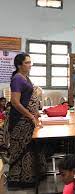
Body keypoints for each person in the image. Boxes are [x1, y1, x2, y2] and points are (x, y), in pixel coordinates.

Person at [7, 53, 47, 188]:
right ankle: (19, 180)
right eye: (27, 62)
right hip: (20, 121)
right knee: (22, 150)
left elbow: (30, 96)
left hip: (28, 120)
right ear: (19, 65)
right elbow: (15, 102)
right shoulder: (17, 79)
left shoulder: (25, 77)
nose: (30, 65)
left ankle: (30, 176)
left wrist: (35, 115)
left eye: (30, 62)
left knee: (30, 148)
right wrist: (30, 116)